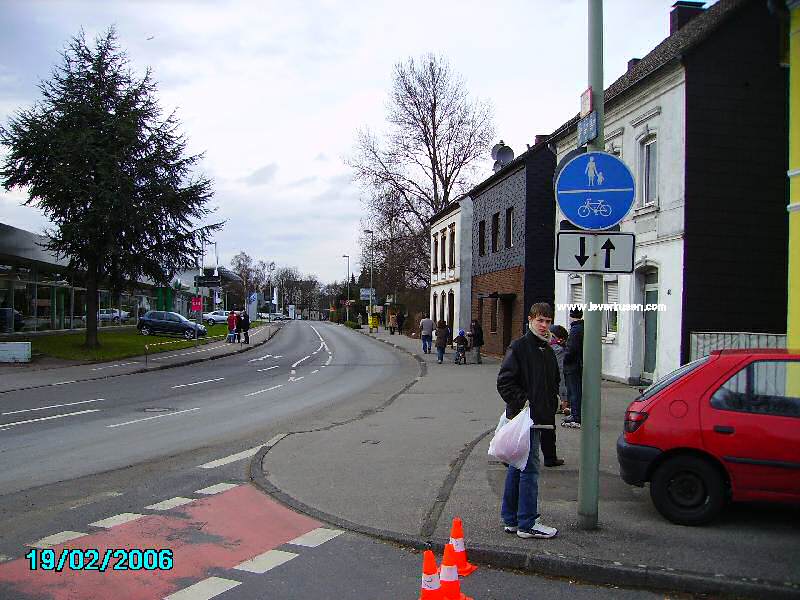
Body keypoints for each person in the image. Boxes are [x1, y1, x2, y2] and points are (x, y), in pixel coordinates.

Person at [496, 302, 559, 539]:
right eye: (540, 320)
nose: (544, 325)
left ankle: (512, 519)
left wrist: (555, 401)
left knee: (517, 466)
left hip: (539, 418)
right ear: (531, 320)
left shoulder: (547, 349)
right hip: (525, 419)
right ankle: (527, 523)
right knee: (529, 469)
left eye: (547, 321)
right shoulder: (520, 347)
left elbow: (551, 382)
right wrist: (525, 404)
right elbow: (504, 382)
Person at [540, 324, 569, 468]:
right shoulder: (555, 350)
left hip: (540, 393)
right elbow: (561, 375)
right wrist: (564, 398)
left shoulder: (544, 346)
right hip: (545, 394)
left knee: (538, 427)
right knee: (547, 427)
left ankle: (511, 455)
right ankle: (550, 458)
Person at [562, 308, 584, 429]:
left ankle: (575, 416)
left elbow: (571, 350)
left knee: (574, 390)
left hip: (573, 366)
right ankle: (576, 413)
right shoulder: (582, 328)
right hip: (577, 364)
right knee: (576, 390)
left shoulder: (575, 330)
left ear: (571, 316)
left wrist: (565, 359)